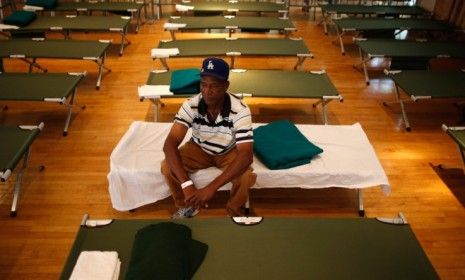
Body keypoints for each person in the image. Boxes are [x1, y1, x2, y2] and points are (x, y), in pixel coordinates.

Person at [161, 57, 257, 218]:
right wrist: (187, 184)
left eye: (214, 86)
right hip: (199, 148)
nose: (207, 91)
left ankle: (234, 211)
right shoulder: (191, 104)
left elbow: (246, 155)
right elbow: (169, 144)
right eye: (203, 85)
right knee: (167, 166)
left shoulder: (240, 110)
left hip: (228, 150)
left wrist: (210, 188)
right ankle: (187, 205)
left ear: (226, 86)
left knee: (245, 176)